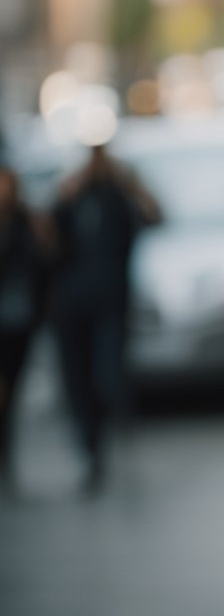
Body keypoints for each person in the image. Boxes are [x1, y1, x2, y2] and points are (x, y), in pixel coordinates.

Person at [49, 143, 161, 491]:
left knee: (107, 373)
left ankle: (117, 430)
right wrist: (67, 191)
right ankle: (91, 448)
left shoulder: (120, 197)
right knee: (77, 378)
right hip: (71, 305)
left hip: (110, 302)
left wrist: (129, 184)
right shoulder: (73, 197)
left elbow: (155, 216)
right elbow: (49, 237)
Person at [0, 166, 51, 490]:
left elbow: (48, 258)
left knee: (11, 393)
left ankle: (6, 458)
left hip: (19, 320)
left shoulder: (26, 221)